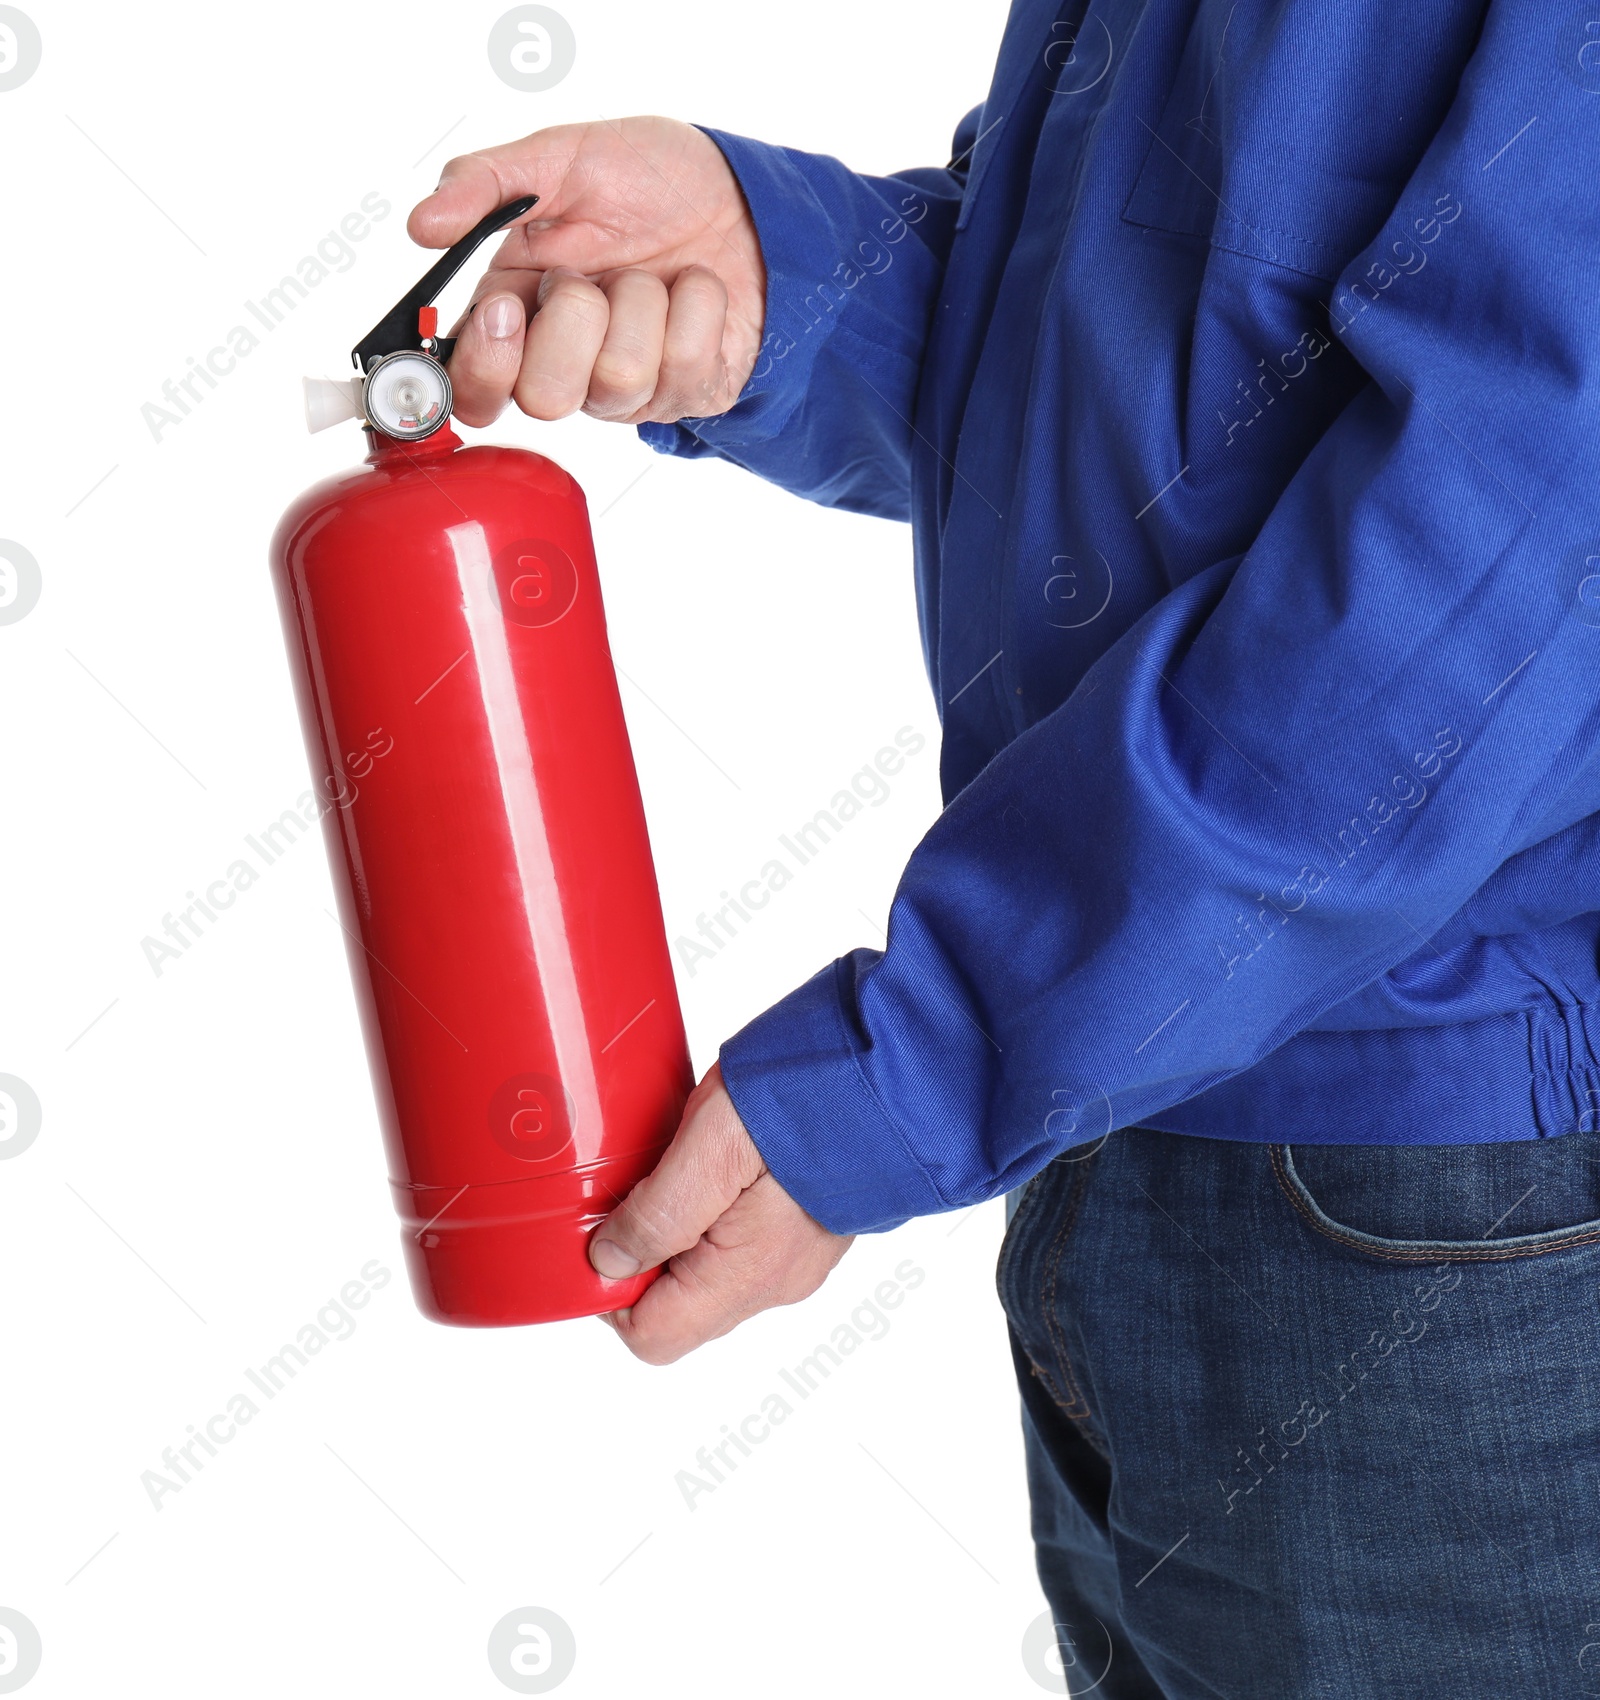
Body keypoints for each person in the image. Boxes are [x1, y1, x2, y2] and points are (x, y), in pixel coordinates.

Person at [407, 3, 1600, 1692]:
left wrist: (938, 1050)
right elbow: (1175, 378)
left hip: (1448, 1210)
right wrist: (779, 286)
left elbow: (1494, 577)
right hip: (1133, 1130)